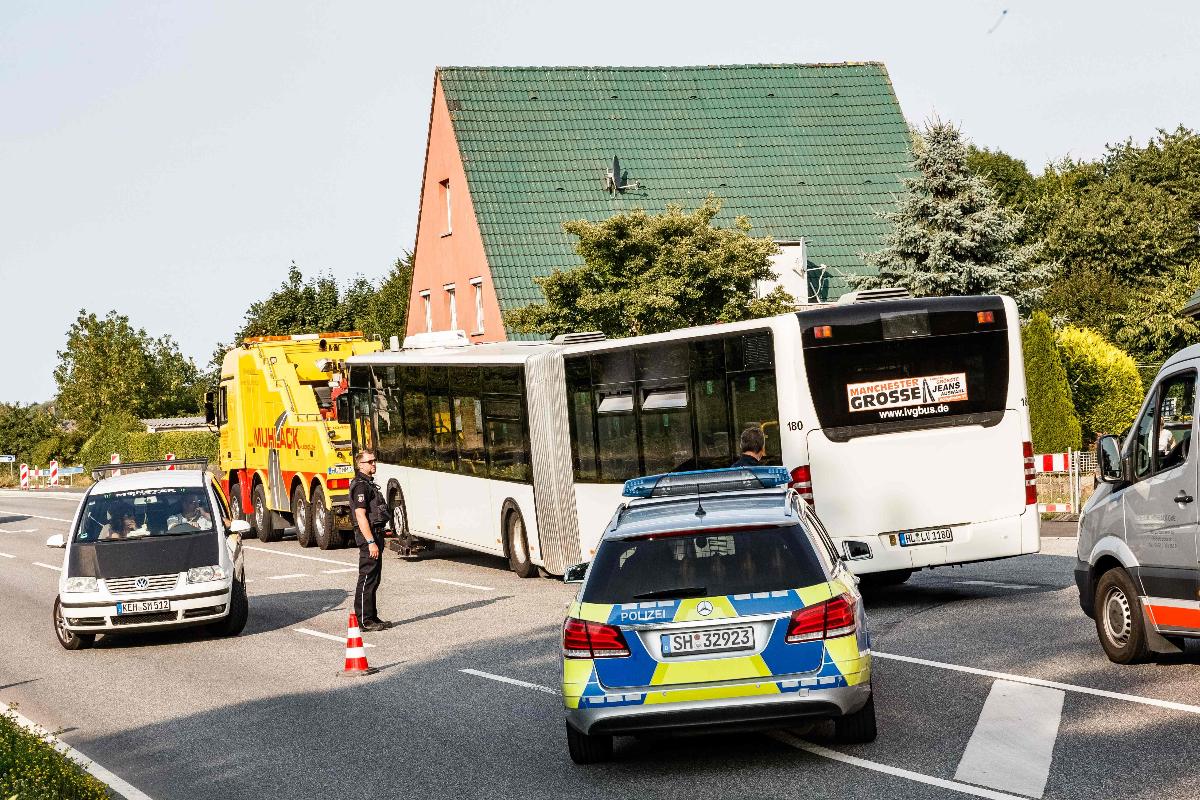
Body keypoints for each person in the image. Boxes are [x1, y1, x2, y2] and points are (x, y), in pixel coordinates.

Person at [349, 449, 392, 632]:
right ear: (360, 465)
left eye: (374, 461)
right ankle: (364, 620)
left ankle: (372, 616)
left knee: (374, 579)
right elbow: (360, 515)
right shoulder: (360, 486)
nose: (373, 464)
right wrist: (370, 542)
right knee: (367, 578)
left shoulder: (368, 483)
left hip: (376, 533)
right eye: (369, 462)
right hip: (369, 536)